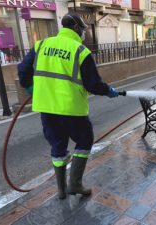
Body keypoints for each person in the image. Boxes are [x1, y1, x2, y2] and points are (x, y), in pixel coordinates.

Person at [17, 12, 119, 199]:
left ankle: (61, 190)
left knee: (58, 147)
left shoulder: (41, 45)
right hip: (72, 110)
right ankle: (75, 184)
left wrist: (32, 90)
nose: (84, 34)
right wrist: (108, 90)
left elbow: (22, 70)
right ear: (75, 28)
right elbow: (93, 84)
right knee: (84, 140)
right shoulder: (80, 51)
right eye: (83, 30)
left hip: (47, 109)